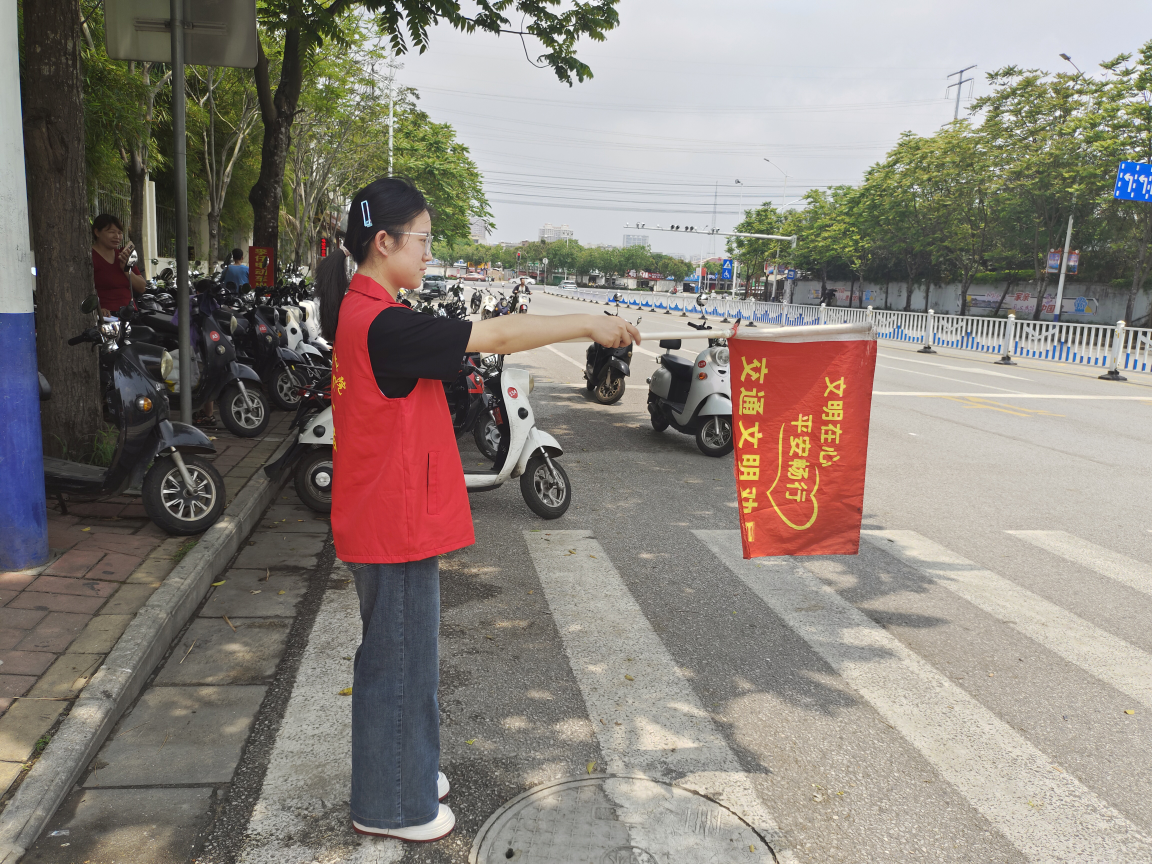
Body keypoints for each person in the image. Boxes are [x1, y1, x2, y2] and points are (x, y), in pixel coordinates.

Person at [314, 177, 639, 843]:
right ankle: (391, 804)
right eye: (423, 239)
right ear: (385, 242)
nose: (429, 252)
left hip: (386, 512)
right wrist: (589, 323)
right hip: (393, 521)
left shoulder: (365, 309)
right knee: (398, 665)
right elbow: (500, 333)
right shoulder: (385, 324)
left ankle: (406, 769)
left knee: (404, 658)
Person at [91, 214, 146, 316]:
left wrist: (126, 269)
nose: (117, 237)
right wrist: (97, 310)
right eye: (111, 232)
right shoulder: (90, 257)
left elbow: (142, 287)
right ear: (97, 232)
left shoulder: (123, 255)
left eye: (120, 233)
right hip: (107, 316)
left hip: (130, 314)